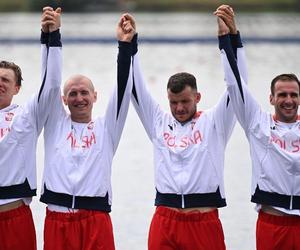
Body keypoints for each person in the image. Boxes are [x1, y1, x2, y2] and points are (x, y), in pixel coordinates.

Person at [126, 5, 247, 249]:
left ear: (198, 97)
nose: (179, 108)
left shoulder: (215, 122)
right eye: (173, 102)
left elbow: (238, 86)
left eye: (185, 101)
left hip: (203, 222)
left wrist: (230, 39)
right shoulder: (159, 121)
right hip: (165, 220)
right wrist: (130, 44)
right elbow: (135, 87)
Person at [39, 8, 135, 250]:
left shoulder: (107, 128)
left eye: (84, 93)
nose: (79, 98)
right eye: (72, 93)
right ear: (64, 99)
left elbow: (123, 90)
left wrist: (125, 46)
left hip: (96, 219)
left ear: (95, 96)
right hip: (57, 220)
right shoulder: (55, 123)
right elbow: (49, 81)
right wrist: (51, 36)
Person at [216, 6, 300, 250]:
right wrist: (229, 38)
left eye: (294, 95)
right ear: (271, 98)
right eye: (282, 94)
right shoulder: (257, 122)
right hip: (272, 224)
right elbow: (235, 83)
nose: (288, 100)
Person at [0, 7, 63, 250]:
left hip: (15, 216)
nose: (0, 84)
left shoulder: (27, 115)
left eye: (5, 80)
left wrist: (50, 36)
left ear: (17, 88)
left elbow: (52, 83)